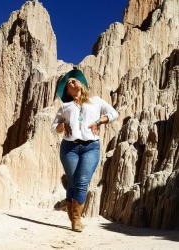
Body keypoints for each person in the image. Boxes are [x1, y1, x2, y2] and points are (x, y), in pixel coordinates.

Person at [52, 69, 118, 232]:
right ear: (67, 91)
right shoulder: (65, 106)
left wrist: (98, 121)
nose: (73, 82)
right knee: (72, 182)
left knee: (82, 182)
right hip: (70, 148)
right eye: (69, 82)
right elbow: (54, 126)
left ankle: (76, 219)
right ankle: (73, 215)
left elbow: (113, 113)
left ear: (81, 84)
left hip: (91, 147)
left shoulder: (96, 101)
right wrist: (62, 125)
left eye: (75, 80)